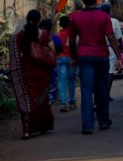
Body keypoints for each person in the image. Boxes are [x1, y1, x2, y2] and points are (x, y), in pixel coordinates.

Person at [70, 0, 123, 135]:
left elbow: (72, 40)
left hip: (84, 56)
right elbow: (111, 37)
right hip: (101, 56)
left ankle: (87, 125)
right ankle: (104, 121)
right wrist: (119, 56)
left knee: (86, 91)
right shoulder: (103, 17)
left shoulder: (76, 18)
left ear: (83, 0)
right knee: (101, 89)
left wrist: (74, 58)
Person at [9, 9, 56, 139]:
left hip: (27, 69)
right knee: (41, 99)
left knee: (27, 99)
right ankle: (42, 126)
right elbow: (53, 49)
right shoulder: (44, 34)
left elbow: (14, 48)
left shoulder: (21, 35)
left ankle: (27, 130)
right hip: (42, 71)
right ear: (39, 20)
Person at [100, 4, 123, 101]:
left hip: (101, 48)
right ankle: (106, 93)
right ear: (110, 11)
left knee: (102, 72)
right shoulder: (114, 21)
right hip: (112, 48)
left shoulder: (98, 20)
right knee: (110, 71)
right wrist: (120, 50)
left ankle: (102, 94)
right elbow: (118, 38)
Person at [55, 15, 77, 112]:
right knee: (71, 81)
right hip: (71, 59)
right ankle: (71, 102)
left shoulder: (57, 36)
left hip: (60, 59)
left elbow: (55, 50)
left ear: (60, 24)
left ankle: (63, 103)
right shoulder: (72, 35)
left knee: (62, 81)